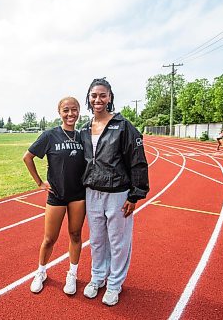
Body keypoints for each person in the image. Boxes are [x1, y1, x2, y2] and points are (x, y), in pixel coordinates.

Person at [79, 78, 149, 306]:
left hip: (118, 193)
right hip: (92, 192)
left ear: (110, 97)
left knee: (118, 242)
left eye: (102, 95)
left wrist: (134, 195)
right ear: (88, 98)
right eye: (93, 95)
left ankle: (115, 284)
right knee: (97, 240)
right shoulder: (84, 129)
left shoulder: (124, 126)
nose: (98, 100)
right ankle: (98, 277)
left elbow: (138, 162)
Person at [23, 97, 86, 295]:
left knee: (75, 235)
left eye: (74, 110)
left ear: (79, 111)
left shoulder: (83, 137)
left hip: (78, 195)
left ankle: (72, 274)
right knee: (50, 239)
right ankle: (41, 272)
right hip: (57, 195)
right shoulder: (50, 135)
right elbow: (27, 157)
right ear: (59, 112)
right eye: (66, 110)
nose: (70, 114)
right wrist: (40, 183)